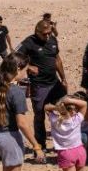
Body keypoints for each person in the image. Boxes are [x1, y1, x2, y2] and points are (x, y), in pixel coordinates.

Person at [18, 19, 66, 152]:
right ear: (37, 31)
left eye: (49, 33)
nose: (47, 36)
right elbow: (14, 57)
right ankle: (40, 145)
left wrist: (63, 78)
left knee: (65, 110)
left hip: (55, 83)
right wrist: (28, 66)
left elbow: (57, 60)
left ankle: (64, 143)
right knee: (39, 115)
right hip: (39, 86)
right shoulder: (29, 42)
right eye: (44, 34)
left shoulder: (52, 40)